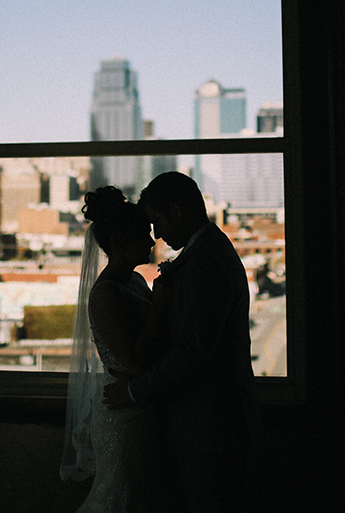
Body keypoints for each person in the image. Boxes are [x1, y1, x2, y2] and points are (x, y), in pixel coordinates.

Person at [104, 172, 261, 512]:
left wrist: (132, 391)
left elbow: (192, 352)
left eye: (157, 222)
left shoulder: (204, 263)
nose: (156, 235)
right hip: (208, 427)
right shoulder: (207, 251)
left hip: (208, 430)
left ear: (175, 211)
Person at [61, 186, 170, 512]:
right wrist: (162, 307)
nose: (152, 243)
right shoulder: (106, 294)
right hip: (123, 415)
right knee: (121, 496)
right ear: (120, 244)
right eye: (143, 236)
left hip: (142, 406)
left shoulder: (134, 281)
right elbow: (133, 362)